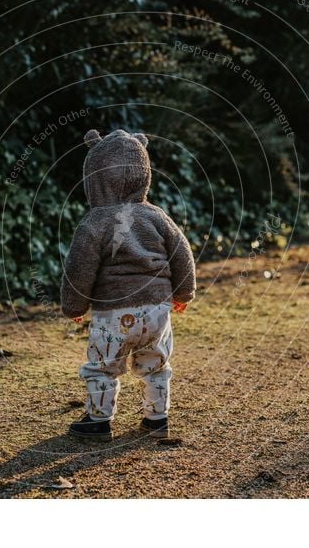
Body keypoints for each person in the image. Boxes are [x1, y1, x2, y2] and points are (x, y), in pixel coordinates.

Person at [61, 129, 196, 441]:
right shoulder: (157, 216)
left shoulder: (94, 222)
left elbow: (78, 268)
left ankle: (98, 421)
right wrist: (183, 293)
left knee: (103, 367)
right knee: (155, 364)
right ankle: (156, 418)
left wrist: (74, 305)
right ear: (143, 173)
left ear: (93, 177)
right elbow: (182, 253)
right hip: (157, 310)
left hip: (113, 314)